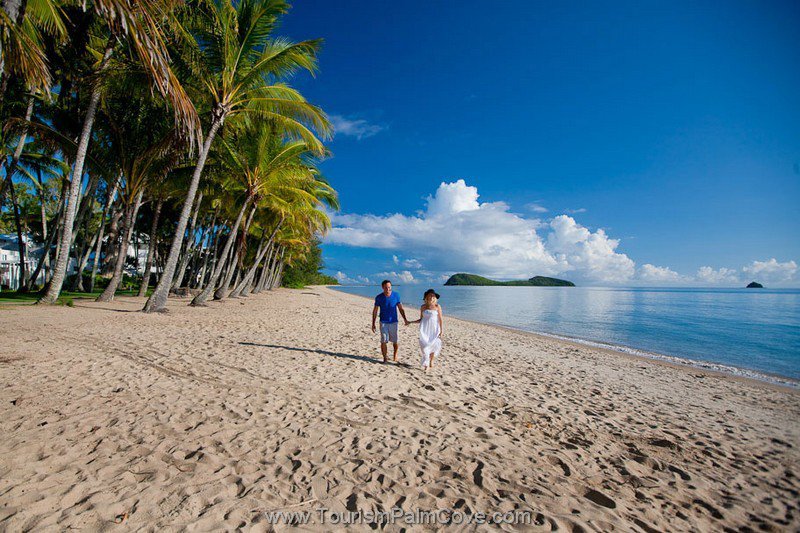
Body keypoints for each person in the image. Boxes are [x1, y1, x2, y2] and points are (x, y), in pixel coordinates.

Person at [371, 280, 410, 363]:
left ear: (391, 287)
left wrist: (405, 319)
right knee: (383, 340)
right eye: (386, 288)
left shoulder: (396, 295)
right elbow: (375, 311)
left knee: (395, 341)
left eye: (389, 287)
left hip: (394, 322)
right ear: (382, 288)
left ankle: (395, 355)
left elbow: (400, 308)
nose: (388, 289)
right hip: (383, 322)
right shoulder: (379, 297)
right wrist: (373, 323)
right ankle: (385, 358)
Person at [409, 289, 444, 371]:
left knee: (433, 346)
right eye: (430, 295)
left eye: (433, 295)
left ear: (435, 297)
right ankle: (426, 363)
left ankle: (430, 361)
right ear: (426, 296)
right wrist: (411, 322)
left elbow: (441, 319)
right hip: (424, 330)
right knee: (425, 347)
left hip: (434, 330)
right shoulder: (423, 307)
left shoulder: (437, 306)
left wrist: (442, 331)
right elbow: (421, 319)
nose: (432, 296)